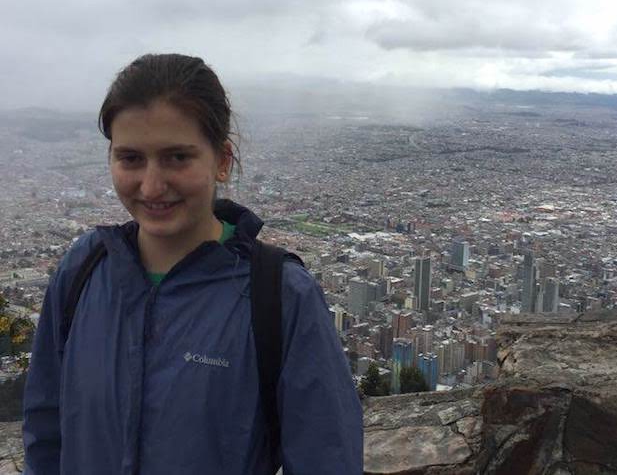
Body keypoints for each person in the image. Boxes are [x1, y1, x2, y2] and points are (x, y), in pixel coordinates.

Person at [22, 54, 364, 474]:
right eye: (131, 159)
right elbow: (45, 429)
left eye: (177, 158)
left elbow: (326, 457)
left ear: (222, 160)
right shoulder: (84, 268)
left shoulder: (279, 296)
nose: (151, 185)